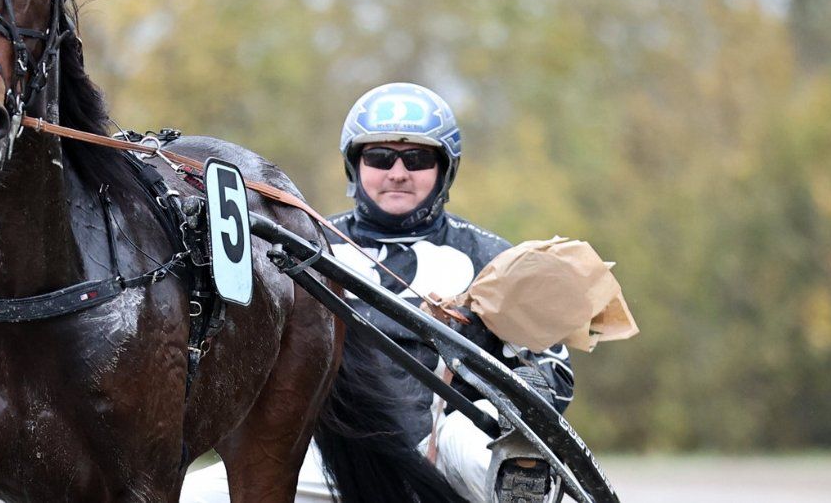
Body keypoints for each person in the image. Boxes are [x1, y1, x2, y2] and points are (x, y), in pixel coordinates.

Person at [182, 83, 573, 503]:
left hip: (453, 433)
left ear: (446, 168)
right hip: (333, 441)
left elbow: (556, 371)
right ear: (356, 166)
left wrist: (529, 388)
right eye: (380, 157)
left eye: (418, 158)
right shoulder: (302, 247)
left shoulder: (493, 258)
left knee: (527, 478)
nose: (398, 172)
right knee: (195, 496)